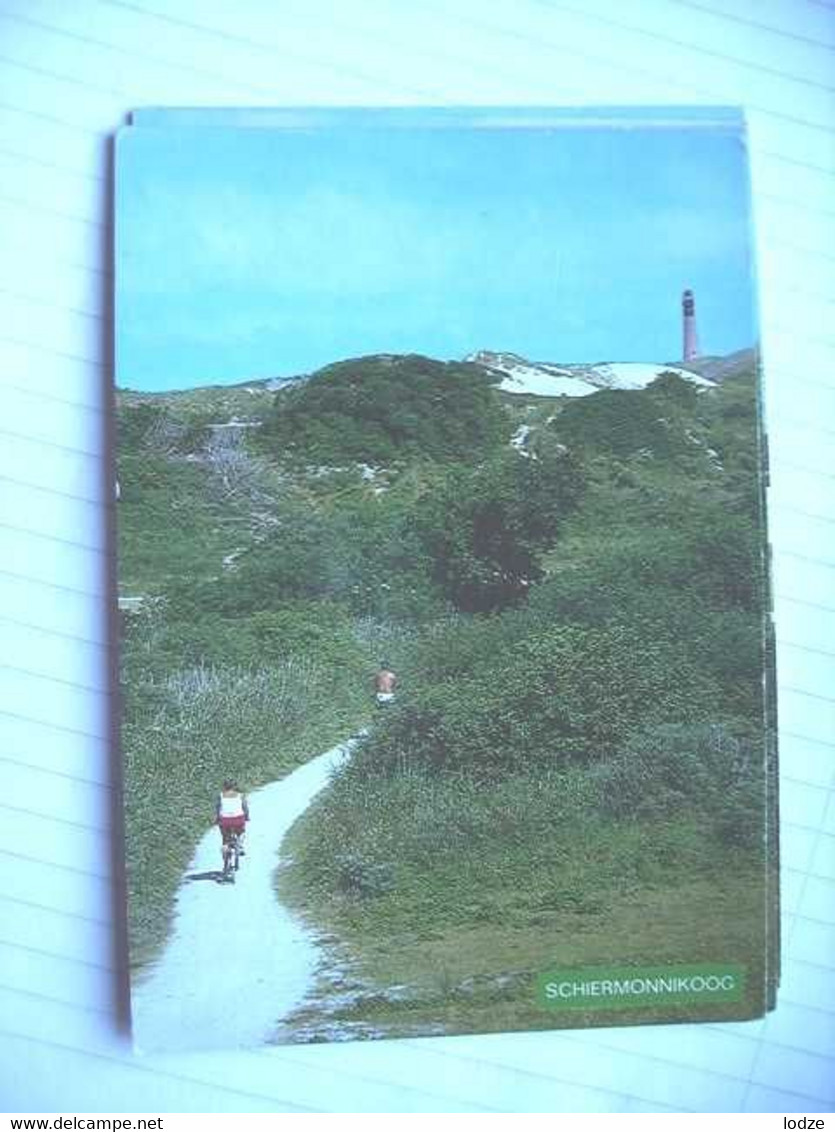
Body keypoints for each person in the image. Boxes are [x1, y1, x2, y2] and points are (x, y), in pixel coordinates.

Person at [216, 779, 249, 861]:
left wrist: (217, 818)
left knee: (225, 835)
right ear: (235, 786)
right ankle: (240, 846)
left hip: (225, 820)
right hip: (238, 819)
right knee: (241, 832)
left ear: (224, 787)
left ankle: (225, 846)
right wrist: (247, 816)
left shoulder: (220, 796)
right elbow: (245, 808)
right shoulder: (240, 795)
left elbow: (218, 808)